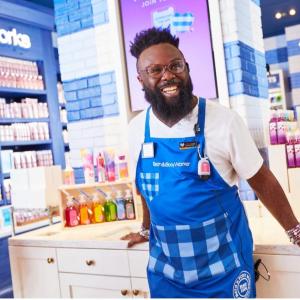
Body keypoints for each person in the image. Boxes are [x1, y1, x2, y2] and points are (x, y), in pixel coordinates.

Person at [121, 27, 300, 298]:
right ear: (141, 79)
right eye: (155, 70)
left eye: (175, 65)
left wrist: (295, 231)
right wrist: (145, 228)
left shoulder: (224, 121)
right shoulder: (136, 130)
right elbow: (146, 188)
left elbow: (261, 180)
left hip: (224, 269)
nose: (167, 75)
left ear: (187, 68)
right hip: (168, 273)